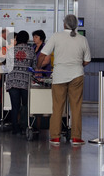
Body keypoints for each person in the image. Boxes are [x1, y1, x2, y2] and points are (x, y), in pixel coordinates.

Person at [37, 14, 91, 146]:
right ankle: (76, 138)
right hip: (77, 75)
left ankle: (55, 137)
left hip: (59, 75)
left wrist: (38, 67)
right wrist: (77, 66)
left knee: (57, 107)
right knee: (76, 107)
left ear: (64, 24)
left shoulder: (56, 36)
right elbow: (87, 60)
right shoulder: (82, 39)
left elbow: (43, 54)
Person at [5, 30, 37, 135]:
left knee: (15, 106)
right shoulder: (32, 50)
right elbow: (34, 67)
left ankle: (15, 128)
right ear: (27, 39)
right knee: (26, 105)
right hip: (26, 82)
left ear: (17, 39)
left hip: (13, 81)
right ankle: (26, 126)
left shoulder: (11, 50)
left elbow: (7, 68)